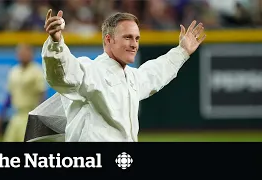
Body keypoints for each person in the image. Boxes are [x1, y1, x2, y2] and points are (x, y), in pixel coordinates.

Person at [41, 9, 206, 142]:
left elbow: (155, 73)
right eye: (128, 37)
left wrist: (182, 52)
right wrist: (56, 43)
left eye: (137, 38)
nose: (134, 44)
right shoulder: (91, 70)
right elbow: (62, 74)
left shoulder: (131, 77)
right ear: (108, 40)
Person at [0, 43, 47, 142]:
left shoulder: (36, 71)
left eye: (25, 52)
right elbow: (9, 96)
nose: (22, 55)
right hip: (16, 115)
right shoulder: (14, 71)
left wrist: (40, 118)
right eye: (20, 52)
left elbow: (42, 95)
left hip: (30, 115)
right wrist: (0, 115)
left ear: (31, 54)